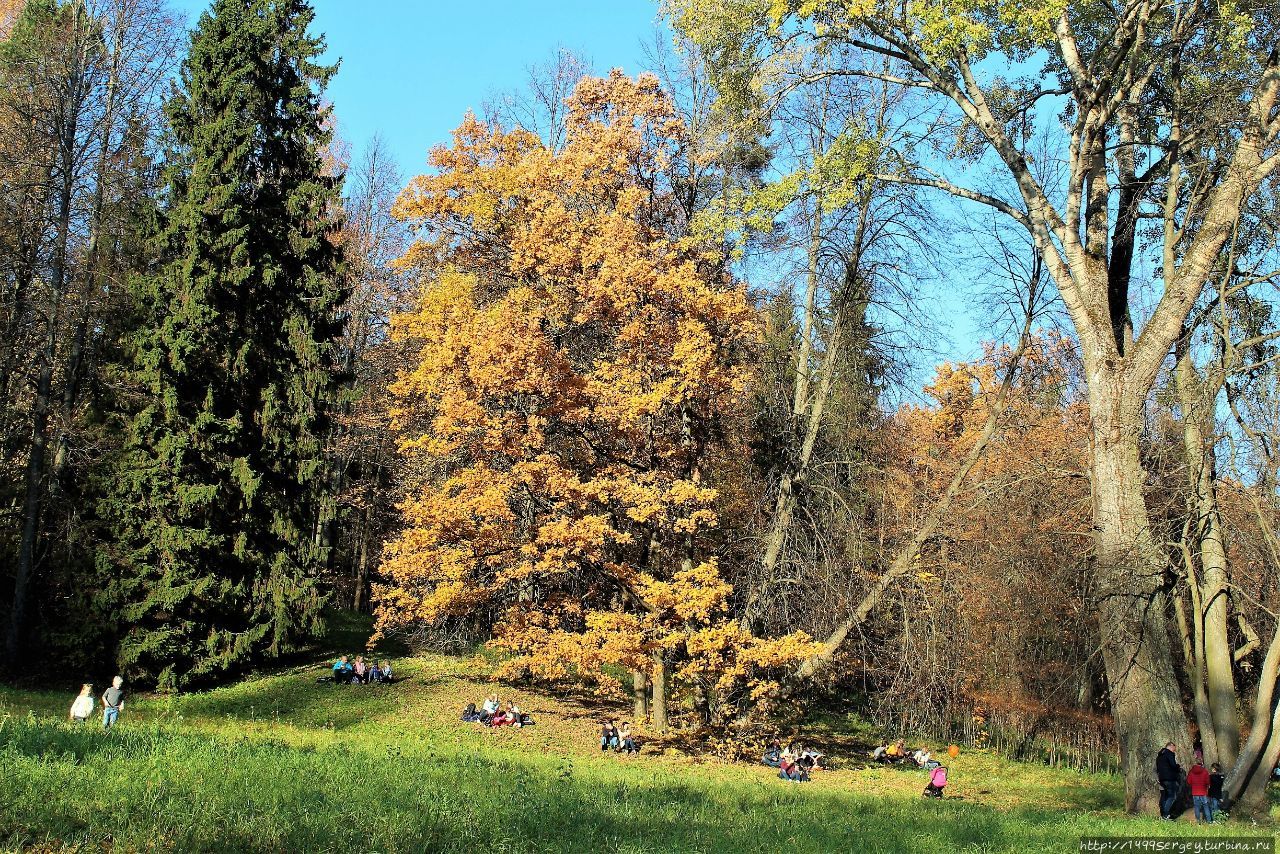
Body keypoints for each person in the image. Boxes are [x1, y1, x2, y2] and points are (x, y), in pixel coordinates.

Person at [1156, 742, 1182, 820]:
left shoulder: (1159, 756)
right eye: (1174, 748)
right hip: (1170, 778)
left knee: (1165, 796)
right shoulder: (1169, 754)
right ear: (1171, 746)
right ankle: (1165, 814)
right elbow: (1173, 765)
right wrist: (1178, 767)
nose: (1175, 750)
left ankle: (1163, 813)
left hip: (1162, 778)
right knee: (1171, 796)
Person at [1187, 758, 1211, 823]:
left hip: (1195, 792)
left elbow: (1188, 781)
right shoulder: (1205, 771)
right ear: (1202, 763)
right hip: (1203, 792)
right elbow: (1208, 781)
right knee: (1206, 806)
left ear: (1195, 763)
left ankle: (1198, 821)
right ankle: (1209, 821)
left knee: (1196, 806)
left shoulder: (1191, 771)